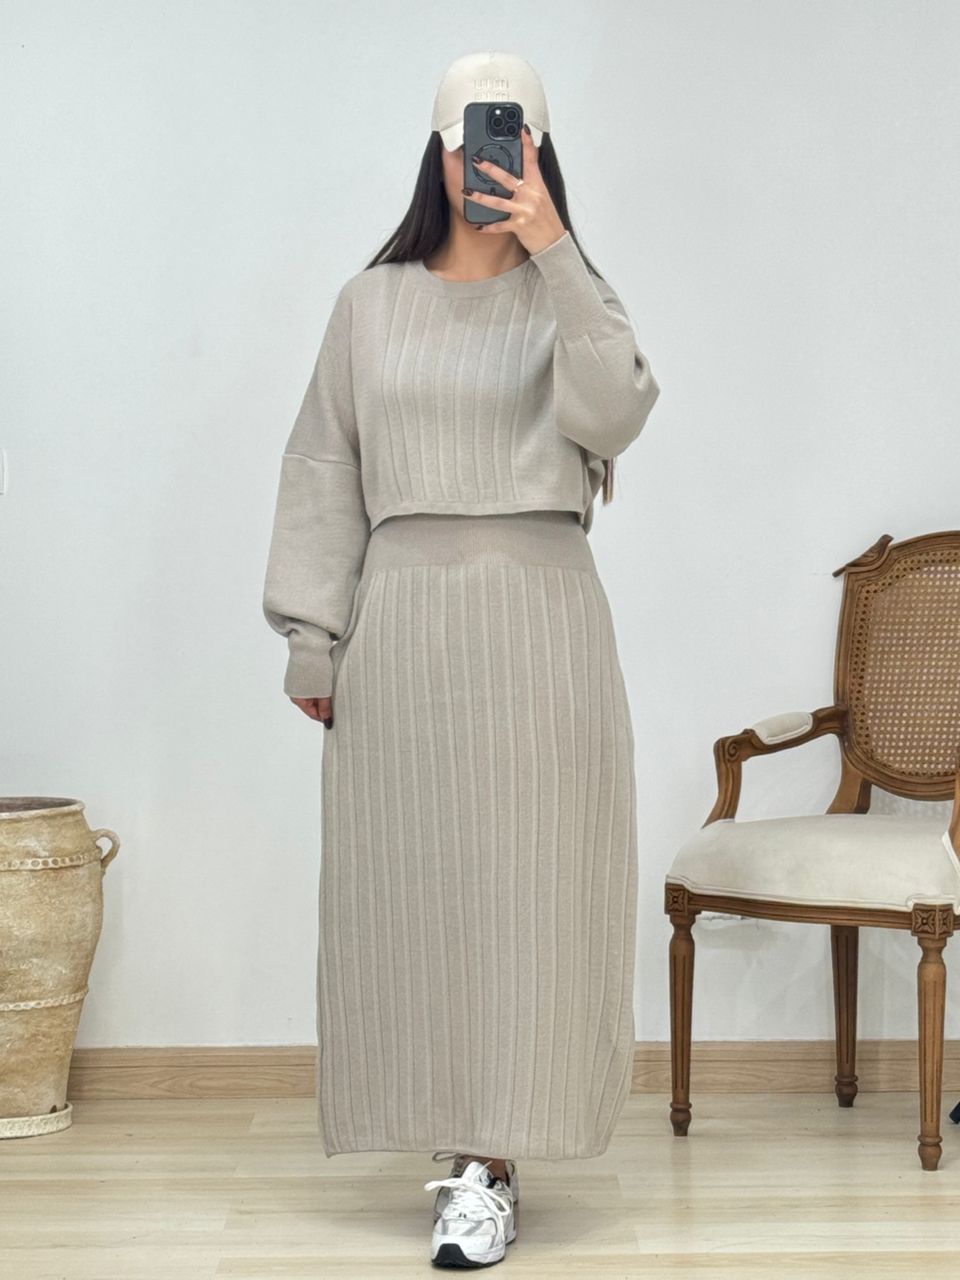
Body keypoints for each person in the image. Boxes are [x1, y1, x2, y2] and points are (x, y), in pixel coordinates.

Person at [262, 49, 660, 1270]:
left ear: (539, 151)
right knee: (414, 895)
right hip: (405, 625)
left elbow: (617, 408)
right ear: (438, 153)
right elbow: (324, 466)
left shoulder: (569, 295)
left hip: (542, 621)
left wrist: (556, 249)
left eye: (513, 136)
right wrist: (313, 633)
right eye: (471, 138)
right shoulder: (368, 304)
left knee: (534, 895)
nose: (488, 157)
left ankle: (492, 1163)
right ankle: (454, 1146)